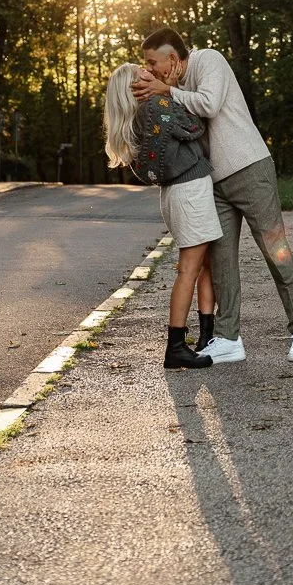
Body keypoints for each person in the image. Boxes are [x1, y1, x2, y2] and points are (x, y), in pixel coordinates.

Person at [133, 28, 293, 364]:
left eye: (151, 62)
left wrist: (168, 90)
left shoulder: (208, 60)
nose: (150, 69)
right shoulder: (170, 89)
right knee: (221, 263)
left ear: (172, 58)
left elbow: (209, 104)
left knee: (276, 251)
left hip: (250, 169)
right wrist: (163, 92)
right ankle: (229, 337)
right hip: (213, 182)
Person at [103, 63, 220, 370]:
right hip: (189, 191)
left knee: (203, 265)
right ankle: (176, 347)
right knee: (189, 269)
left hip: (179, 192)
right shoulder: (156, 105)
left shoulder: (146, 111)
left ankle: (207, 336)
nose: (147, 70)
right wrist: (172, 89)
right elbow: (196, 126)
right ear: (133, 86)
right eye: (140, 71)